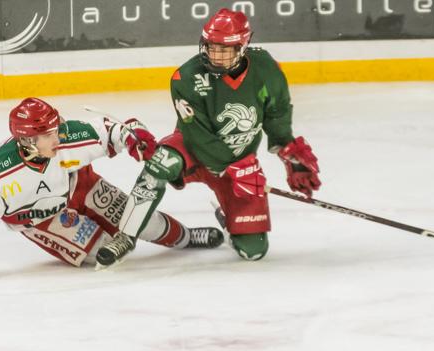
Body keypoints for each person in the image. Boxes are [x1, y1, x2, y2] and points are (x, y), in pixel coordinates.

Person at [94, 8, 321, 267]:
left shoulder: (266, 68)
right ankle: (125, 236)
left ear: (243, 46)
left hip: (239, 161)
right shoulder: (187, 77)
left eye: (224, 50)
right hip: (192, 149)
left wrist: (287, 150)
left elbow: (276, 114)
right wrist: (240, 169)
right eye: (212, 47)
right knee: (162, 161)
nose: (216, 55)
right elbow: (197, 135)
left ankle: (229, 219)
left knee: (254, 251)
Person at [0, 97, 224, 281]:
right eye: (48, 134)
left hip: (80, 185)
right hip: (41, 220)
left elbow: (114, 129)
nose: (57, 136)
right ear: (27, 141)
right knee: (103, 252)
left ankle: (186, 237)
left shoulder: (66, 138)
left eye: (55, 129)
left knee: (141, 219)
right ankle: (119, 233)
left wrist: (135, 138)